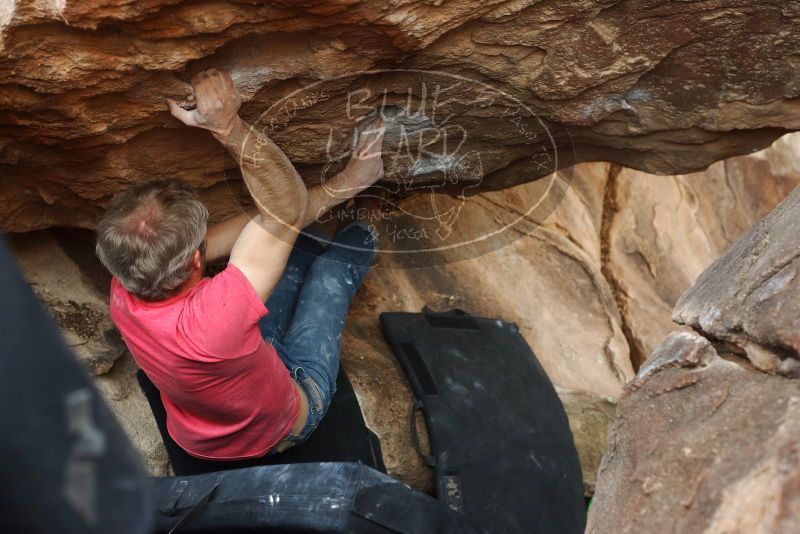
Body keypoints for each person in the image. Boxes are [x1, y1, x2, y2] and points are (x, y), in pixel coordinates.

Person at [95, 68, 385, 461]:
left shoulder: (125, 280)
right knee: (327, 277)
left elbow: (276, 219)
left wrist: (345, 183)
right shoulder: (216, 319)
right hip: (286, 417)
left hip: (210, 416)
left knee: (290, 246)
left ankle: (345, 205)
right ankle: (371, 217)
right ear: (198, 258)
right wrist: (227, 126)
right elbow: (284, 211)